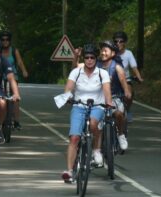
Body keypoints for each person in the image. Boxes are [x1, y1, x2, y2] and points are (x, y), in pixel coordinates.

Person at [61, 43, 112, 183]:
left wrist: (109, 102)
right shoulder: (76, 72)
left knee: (94, 122)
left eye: (92, 57)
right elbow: (68, 88)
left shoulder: (103, 73)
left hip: (97, 106)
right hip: (79, 106)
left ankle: (96, 150)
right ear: (84, 58)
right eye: (87, 57)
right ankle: (70, 171)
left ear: (96, 59)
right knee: (74, 138)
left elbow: (107, 91)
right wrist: (67, 97)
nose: (89, 60)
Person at [98, 40, 131, 150]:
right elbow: (78, 68)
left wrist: (127, 91)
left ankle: (121, 135)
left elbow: (123, 80)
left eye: (105, 50)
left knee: (119, 114)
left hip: (114, 97)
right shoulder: (95, 65)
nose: (103, 53)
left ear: (112, 53)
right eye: (102, 50)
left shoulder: (117, 67)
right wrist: (75, 59)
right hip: (99, 99)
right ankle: (93, 147)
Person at [0, 31, 28, 130]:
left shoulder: (14, 50)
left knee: (15, 97)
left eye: (7, 39)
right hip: (0, 75)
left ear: (9, 41)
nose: (5, 41)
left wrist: (24, 71)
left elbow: (19, 61)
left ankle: (16, 121)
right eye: (3, 39)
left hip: (12, 75)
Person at [113, 31, 144, 122]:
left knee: (129, 95)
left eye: (121, 41)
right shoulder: (111, 53)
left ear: (125, 42)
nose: (118, 43)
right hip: (113, 80)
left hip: (126, 79)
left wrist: (139, 77)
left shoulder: (128, 53)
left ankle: (127, 110)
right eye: (116, 41)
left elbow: (134, 67)